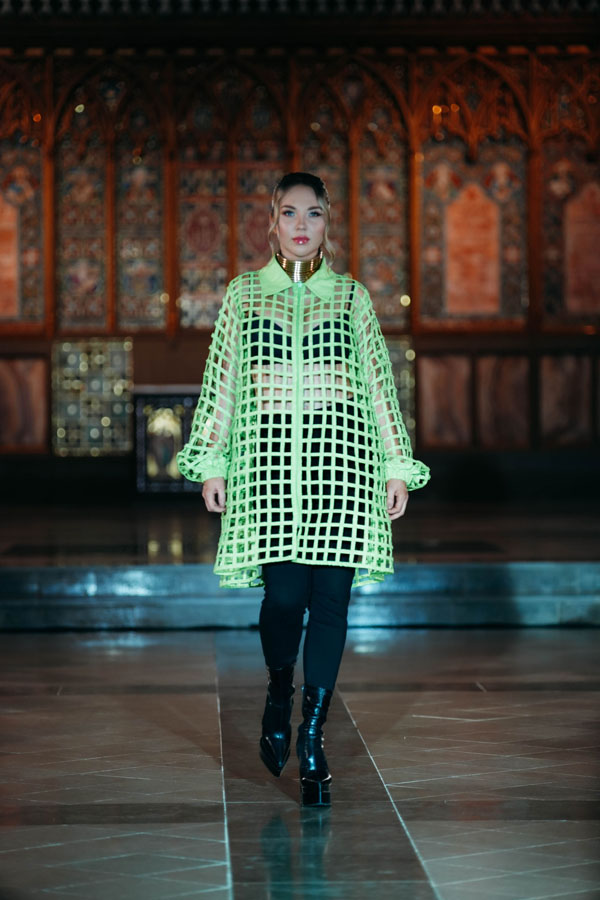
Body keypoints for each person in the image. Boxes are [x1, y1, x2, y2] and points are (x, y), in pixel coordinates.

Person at [177, 172, 430, 806]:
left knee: (332, 601)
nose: (300, 225)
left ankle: (312, 736)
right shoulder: (244, 295)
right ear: (272, 221)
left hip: (341, 463)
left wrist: (395, 466)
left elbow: (378, 384)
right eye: (289, 213)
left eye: (312, 213)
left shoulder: (350, 298)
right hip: (267, 467)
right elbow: (224, 381)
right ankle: (277, 689)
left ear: (326, 223)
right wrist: (212, 462)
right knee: (286, 598)